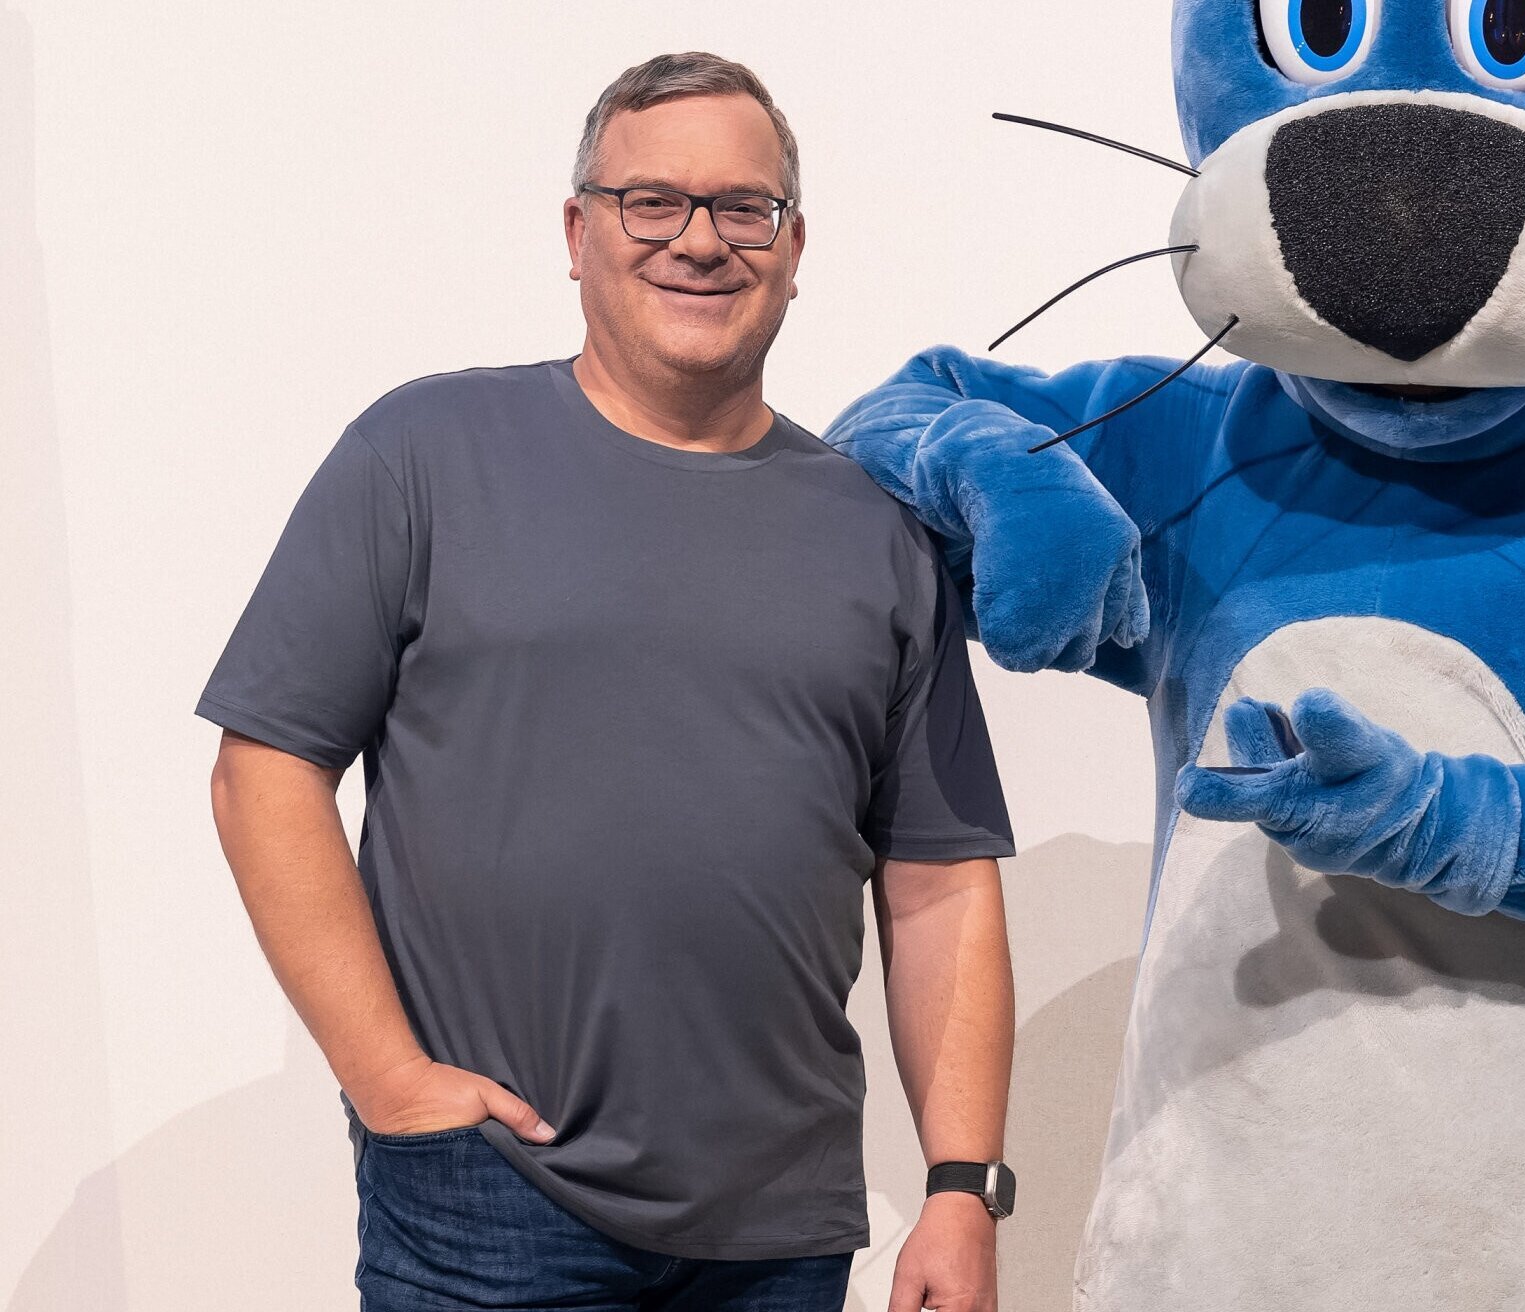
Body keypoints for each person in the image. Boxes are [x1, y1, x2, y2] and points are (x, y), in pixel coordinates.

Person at [200, 52, 1016, 1312]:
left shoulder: (878, 531)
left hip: (781, 1229)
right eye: (652, 202)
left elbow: (940, 884)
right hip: (490, 1197)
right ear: (578, 233)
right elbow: (264, 767)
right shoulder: (424, 454)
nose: (699, 240)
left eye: (743, 207)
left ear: (794, 247)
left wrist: (961, 1187)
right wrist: (388, 1079)